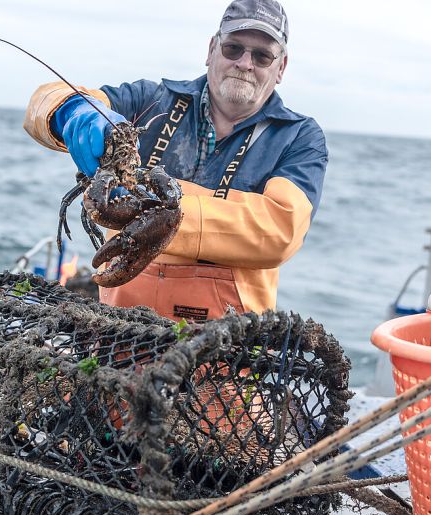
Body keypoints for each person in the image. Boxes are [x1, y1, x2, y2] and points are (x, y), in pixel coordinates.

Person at [24, 0, 327, 321]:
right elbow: (43, 102)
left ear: (280, 67)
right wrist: (71, 111)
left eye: (262, 55)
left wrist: (166, 218)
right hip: (117, 328)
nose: (245, 63)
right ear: (211, 49)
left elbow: (281, 231)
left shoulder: (298, 137)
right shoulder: (151, 100)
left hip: (226, 347)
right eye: (233, 48)